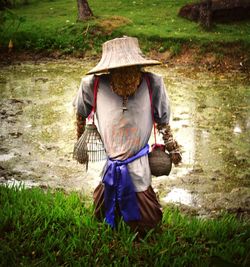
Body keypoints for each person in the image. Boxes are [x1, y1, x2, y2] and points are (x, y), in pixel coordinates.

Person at [73, 36, 181, 236]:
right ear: (109, 71)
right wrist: (80, 139)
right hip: (111, 162)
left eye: (130, 70)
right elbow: (80, 112)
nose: (126, 77)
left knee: (148, 224)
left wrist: (172, 147)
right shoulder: (93, 85)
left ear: (139, 68)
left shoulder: (153, 84)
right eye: (119, 71)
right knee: (100, 215)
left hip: (138, 162)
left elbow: (163, 121)